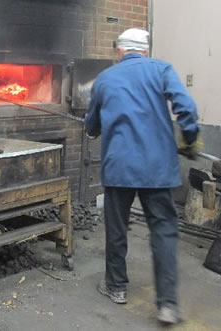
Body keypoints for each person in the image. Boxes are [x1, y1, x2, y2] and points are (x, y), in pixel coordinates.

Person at [85, 28, 200, 325]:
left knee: (117, 228)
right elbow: (186, 107)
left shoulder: (105, 79)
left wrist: (96, 127)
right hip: (157, 168)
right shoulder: (161, 69)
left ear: (120, 51)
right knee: (163, 232)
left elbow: (92, 125)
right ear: (145, 50)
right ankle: (168, 304)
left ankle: (116, 287)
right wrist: (189, 137)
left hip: (119, 168)